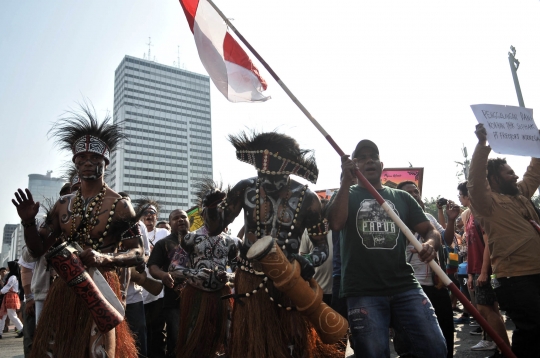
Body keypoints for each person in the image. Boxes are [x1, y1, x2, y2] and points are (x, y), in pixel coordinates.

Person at [12, 106, 141, 358]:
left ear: (106, 162)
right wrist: (28, 223)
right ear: (75, 162)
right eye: (81, 158)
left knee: (98, 352)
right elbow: (38, 249)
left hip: (101, 289)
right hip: (65, 289)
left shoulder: (120, 206)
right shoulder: (63, 204)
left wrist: (107, 259)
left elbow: (139, 254)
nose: (87, 162)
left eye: (94, 158)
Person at [204, 131, 340, 357]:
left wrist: (307, 261)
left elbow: (321, 248)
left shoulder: (309, 199)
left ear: (289, 170)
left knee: (292, 343)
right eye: (262, 175)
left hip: (290, 284)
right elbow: (215, 228)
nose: (267, 182)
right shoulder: (245, 188)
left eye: (275, 178)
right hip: (249, 280)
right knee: (250, 346)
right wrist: (210, 208)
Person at [327, 139, 447, 358]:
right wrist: (345, 181)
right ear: (354, 165)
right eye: (361, 157)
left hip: (405, 286)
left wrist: (430, 244)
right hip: (362, 290)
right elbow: (335, 223)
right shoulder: (346, 195)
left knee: (434, 347)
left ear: (382, 165)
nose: (369, 160)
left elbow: (432, 231)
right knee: (373, 353)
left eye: (373, 156)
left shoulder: (402, 198)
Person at [468, 123, 540, 358]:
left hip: (537, 272)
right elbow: (476, 181)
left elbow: (534, 172)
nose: (516, 175)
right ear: (495, 180)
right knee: (531, 330)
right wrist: (481, 146)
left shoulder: (520, 194)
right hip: (515, 278)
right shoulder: (486, 204)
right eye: (509, 173)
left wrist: (536, 143)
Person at [170, 180, 239, 358]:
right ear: (202, 213)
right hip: (196, 297)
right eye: (210, 210)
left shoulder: (232, 242)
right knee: (196, 344)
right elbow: (173, 268)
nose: (214, 214)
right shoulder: (190, 239)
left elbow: (241, 272)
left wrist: (229, 277)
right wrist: (195, 274)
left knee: (228, 342)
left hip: (223, 297)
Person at [395, 180, 459, 358]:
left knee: (445, 329)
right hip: (409, 287)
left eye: (416, 192)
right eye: (409, 193)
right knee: (411, 338)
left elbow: (446, 239)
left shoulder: (428, 218)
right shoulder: (394, 220)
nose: (415, 195)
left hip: (436, 284)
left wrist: (451, 220)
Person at [458, 181, 509, 355]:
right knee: (490, 307)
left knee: (484, 308)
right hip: (478, 269)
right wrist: (472, 274)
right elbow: (474, 248)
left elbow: (488, 243)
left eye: (460, 195)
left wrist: (484, 271)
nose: (459, 199)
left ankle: (505, 348)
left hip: (485, 269)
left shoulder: (479, 214)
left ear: (467, 195)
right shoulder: (470, 215)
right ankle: (500, 346)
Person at [148, 209, 190, 358]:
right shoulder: (163, 243)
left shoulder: (199, 241)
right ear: (170, 224)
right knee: (176, 341)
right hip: (173, 302)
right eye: (175, 218)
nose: (180, 220)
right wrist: (163, 275)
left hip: (199, 299)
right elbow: (152, 267)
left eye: (183, 217)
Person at [136, 198, 169, 357]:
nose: (149, 216)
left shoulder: (163, 233)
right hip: (138, 290)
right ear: (141, 217)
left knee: (158, 330)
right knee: (141, 329)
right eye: (145, 213)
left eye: (152, 213)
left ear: (157, 217)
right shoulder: (137, 231)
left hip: (157, 289)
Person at [0, 261, 24, 338]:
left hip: (11, 297)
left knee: (11, 315)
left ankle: (22, 329)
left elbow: (7, 287)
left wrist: (1, 291)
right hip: (9, 296)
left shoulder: (12, 277)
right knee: (3, 315)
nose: (7, 268)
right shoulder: (13, 276)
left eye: (8, 266)